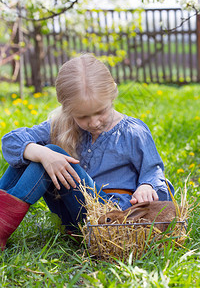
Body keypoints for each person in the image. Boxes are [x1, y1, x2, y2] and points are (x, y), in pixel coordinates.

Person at [0, 53, 174, 251]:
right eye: (82, 116)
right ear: (67, 110)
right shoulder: (60, 125)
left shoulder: (133, 132)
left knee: (52, 152)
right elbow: (10, 141)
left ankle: (2, 225)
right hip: (73, 217)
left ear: (113, 93)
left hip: (110, 217)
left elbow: (154, 171)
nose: (94, 122)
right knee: (37, 153)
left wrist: (146, 185)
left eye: (100, 111)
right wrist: (42, 154)